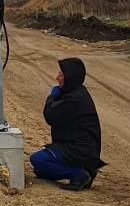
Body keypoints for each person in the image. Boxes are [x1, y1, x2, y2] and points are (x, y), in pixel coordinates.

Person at [30, 57, 105, 191]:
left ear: (70, 77)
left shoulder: (74, 98)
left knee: (37, 160)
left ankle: (79, 174)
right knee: (40, 170)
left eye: (61, 75)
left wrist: (52, 97)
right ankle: (79, 172)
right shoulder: (74, 92)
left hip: (80, 151)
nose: (57, 77)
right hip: (76, 148)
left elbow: (50, 116)